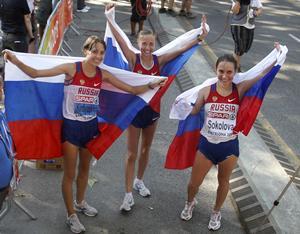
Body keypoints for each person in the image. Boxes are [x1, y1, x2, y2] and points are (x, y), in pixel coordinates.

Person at [2, 35, 165, 234]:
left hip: (90, 128)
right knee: (70, 174)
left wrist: (151, 85)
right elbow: (36, 73)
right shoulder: (72, 69)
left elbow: (130, 89)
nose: (98, 56)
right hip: (71, 129)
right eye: (94, 51)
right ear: (86, 51)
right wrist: (15, 60)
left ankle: (80, 202)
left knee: (85, 171)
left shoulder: (102, 74)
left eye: (102, 52)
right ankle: (71, 215)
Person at [105, 4, 208, 212]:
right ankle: (127, 195)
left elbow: (180, 49)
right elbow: (119, 40)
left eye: (151, 44)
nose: (147, 48)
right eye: (144, 44)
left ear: (154, 44)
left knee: (145, 149)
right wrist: (110, 18)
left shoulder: (158, 60)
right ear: (139, 43)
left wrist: (199, 37)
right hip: (134, 111)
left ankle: (139, 181)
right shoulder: (133, 58)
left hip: (152, 112)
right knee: (131, 153)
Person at [179, 43, 281, 231]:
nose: (225, 76)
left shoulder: (239, 90)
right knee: (194, 182)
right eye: (221, 71)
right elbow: (194, 112)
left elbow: (261, 75)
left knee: (223, 182)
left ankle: (216, 212)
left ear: (235, 72)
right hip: (207, 144)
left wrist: (277, 56)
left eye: (229, 72)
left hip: (228, 147)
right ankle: (190, 202)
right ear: (215, 70)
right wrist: (185, 106)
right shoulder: (206, 90)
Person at [231, 0, 263, 71]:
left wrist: (256, 13)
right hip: (238, 24)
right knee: (239, 48)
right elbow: (234, 11)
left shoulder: (255, 1)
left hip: (250, 26)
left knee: (245, 48)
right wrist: (238, 2)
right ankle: (236, 68)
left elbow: (260, 8)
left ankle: (233, 62)